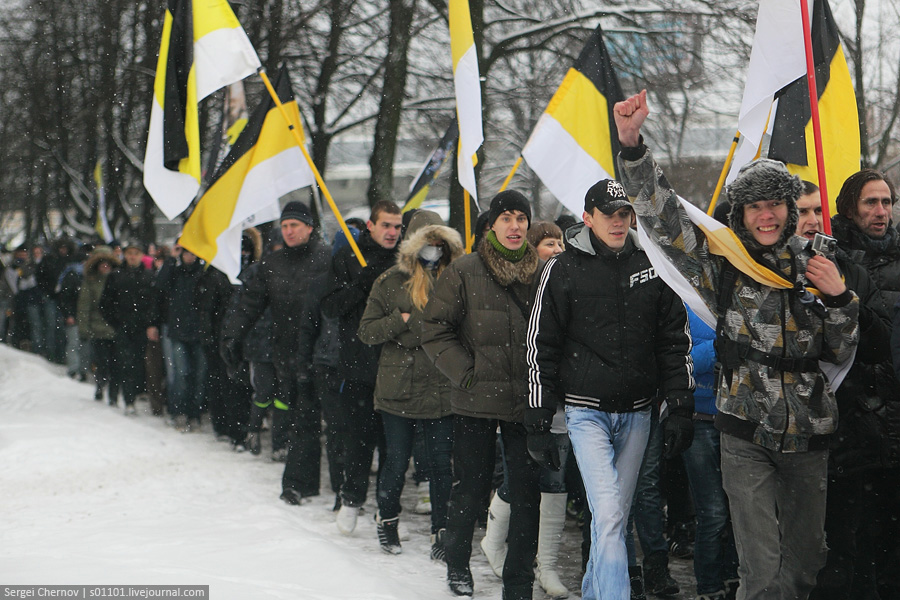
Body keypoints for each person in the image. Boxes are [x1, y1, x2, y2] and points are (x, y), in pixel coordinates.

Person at [614, 90, 859, 600]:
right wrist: (633, 145)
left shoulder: (820, 263)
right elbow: (664, 219)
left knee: (807, 560)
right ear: (740, 213)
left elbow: (840, 350)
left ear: (790, 210)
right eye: (754, 207)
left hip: (810, 431)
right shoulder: (720, 264)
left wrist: (839, 298)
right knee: (760, 567)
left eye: (774, 205)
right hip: (745, 427)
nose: (765, 216)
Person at [526, 179, 695, 600]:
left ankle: (594, 591)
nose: (618, 222)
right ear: (588, 218)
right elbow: (540, 344)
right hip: (585, 412)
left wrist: (679, 403)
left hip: (638, 410)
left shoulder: (652, 261)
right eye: (608, 215)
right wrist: (538, 413)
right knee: (608, 515)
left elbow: (673, 339)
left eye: (624, 214)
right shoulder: (561, 269)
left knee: (614, 518)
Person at [422, 190, 541, 599]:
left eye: (521, 218)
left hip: (526, 400)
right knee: (471, 486)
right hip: (475, 399)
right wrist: (466, 374)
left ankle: (519, 579)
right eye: (506, 218)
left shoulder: (543, 271)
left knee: (527, 492)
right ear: (492, 225)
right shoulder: (465, 270)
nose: (514, 226)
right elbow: (435, 329)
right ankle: (457, 561)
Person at [358, 210, 463, 558]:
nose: (433, 250)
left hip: (440, 386)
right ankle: (387, 520)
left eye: (438, 244)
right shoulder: (390, 281)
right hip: (397, 387)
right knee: (396, 460)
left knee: (439, 463)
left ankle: (441, 531)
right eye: (427, 243)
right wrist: (397, 320)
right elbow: (367, 331)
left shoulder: (456, 279)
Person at [825, 173, 900, 598]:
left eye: (887, 202)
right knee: (855, 545)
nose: (881, 212)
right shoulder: (834, 260)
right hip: (852, 423)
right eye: (871, 202)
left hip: (894, 414)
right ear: (850, 207)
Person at [221, 202, 330, 493]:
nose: (289, 231)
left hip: (322, 352)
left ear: (309, 227)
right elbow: (249, 305)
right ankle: (299, 483)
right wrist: (233, 335)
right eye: (284, 226)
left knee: (328, 421)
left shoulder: (327, 259)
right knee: (297, 416)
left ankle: (338, 487)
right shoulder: (273, 265)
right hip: (286, 352)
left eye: (295, 225)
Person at [321, 201, 402, 533]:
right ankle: (351, 500)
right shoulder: (348, 258)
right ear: (370, 226)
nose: (392, 233)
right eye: (386, 225)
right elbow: (329, 306)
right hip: (358, 364)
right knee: (358, 440)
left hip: (397, 367)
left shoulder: (405, 261)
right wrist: (361, 284)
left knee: (393, 447)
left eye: (397, 227)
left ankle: (387, 509)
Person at [681, 306, 739, 600]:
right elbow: (681, 360)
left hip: (737, 422)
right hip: (701, 418)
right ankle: (709, 587)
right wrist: (719, 348)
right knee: (713, 512)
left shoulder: (737, 302)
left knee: (738, 510)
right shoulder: (685, 304)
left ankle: (732, 579)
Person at [151, 247, 207, 431]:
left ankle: (194, 413)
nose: (189, 257)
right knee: (180, 374)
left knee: (198, 375)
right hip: (178, 330)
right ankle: (179, 412)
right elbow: (159, 286)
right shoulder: (174, 272)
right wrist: (170, 259)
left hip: (198, 331)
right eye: (186, 253)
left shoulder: (202, 273)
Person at [99, 242, 155, 416]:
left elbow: (153, 302)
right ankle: (126, 398)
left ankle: (132, 395)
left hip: (140, 327)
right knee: (123, 362)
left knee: (137, 363)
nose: (132, 257)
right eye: (129, 253)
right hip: (122, 326)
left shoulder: (148, 276)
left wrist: (149, 322)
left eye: (136, 253)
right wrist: (115, 322)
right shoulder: (116, 276)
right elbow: (105, 303)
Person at [77, 246, 120, 404]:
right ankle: (100, 386)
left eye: (108, 263)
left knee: (116, 364)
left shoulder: (117, 279)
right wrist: (84, 328)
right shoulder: (91, 281)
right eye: (102, 263)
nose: (105, 266)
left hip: (116, 328)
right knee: (102, 363)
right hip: (98, 329)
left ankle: (113, 395)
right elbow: (84, 306)